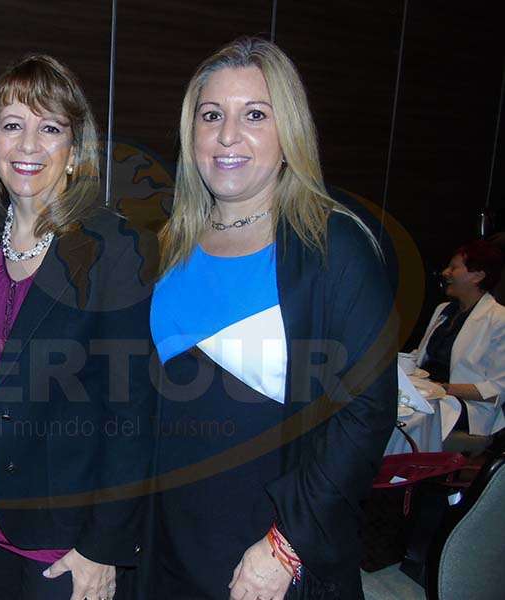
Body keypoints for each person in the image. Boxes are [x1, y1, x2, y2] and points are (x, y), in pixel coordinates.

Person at [149, 37, 397, 599]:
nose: (228, 135)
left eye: (254, 115)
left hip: (267, 552)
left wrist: (287, 544)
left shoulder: (334, 243)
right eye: (211, 115)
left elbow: (366, 412)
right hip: (168, 542)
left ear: (289, 131)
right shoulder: (170, 245)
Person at [0, 54, 155, 600]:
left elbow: (132, 414)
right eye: (13, 125)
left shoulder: (113, 249)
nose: (29, 145)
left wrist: (104, 545)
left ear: (74, 148)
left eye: (50, 127)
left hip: (65, 538)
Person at [413, 240, 505, 436]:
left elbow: (497, 389)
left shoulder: (499, 319)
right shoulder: (443, 310)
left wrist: (443, 389)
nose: (445, 272)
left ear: (478, 276)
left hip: (465, 405)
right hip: (428, 393)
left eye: (453, 268)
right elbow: (419, 356)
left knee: (410, 418)